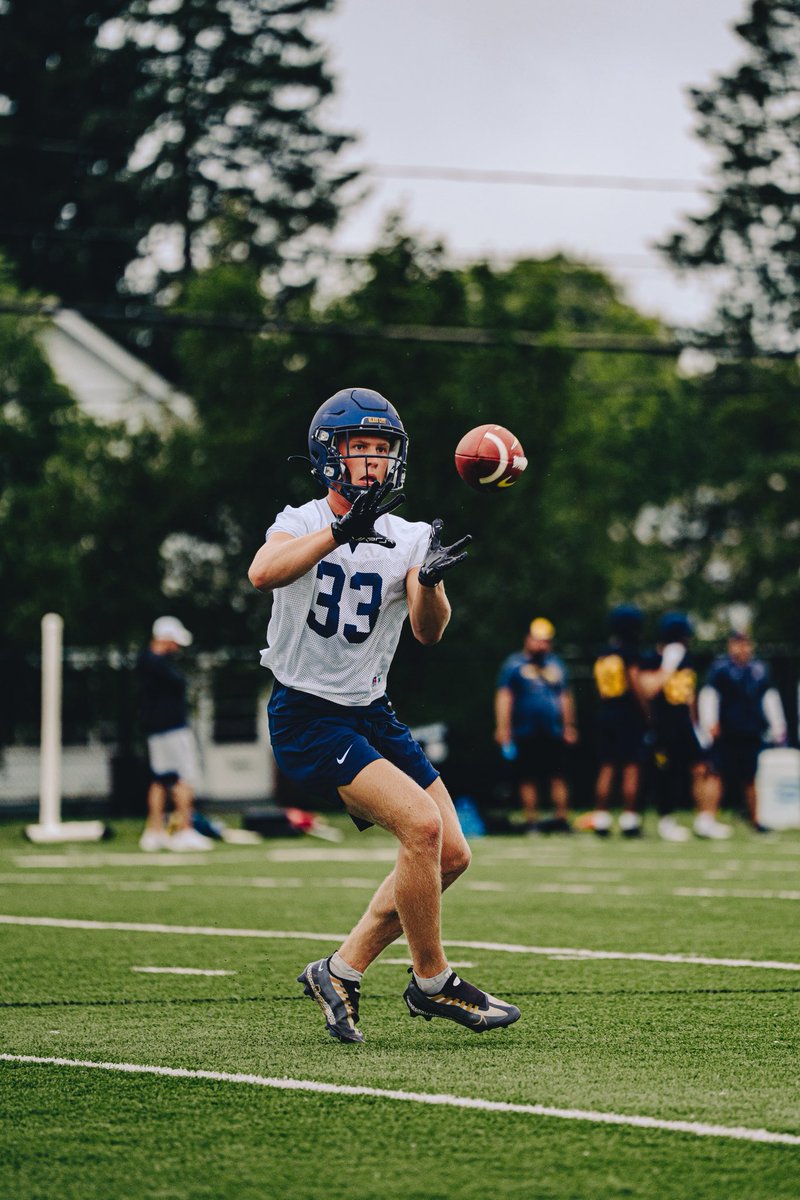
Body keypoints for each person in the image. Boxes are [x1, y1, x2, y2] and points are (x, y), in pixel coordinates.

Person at [247, 387, 520, 1043]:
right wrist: (337, 534)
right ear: (329, 455)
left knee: (452, 853)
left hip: (371, 710)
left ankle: (339, 970)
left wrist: (429, 583)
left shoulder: (410, 536)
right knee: (421, 827)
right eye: (360, 447)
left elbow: (429, 631)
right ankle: (433, 981)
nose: (373, 460)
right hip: (308, 714)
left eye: (382, 449)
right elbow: (263, 573)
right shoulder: (302, 519)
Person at [639, 611, 731, 841]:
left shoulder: (686, 659)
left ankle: (705, 821)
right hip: (662, 725)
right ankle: (666, 821)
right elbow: (648, 689)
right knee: (666, 774)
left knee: (703, 767)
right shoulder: (652, 658)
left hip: (684, 723)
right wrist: (667, 666)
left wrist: (697, 724)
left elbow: (689, 695)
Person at [494, 617, 577, 833]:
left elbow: (565, 696)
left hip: (553, 730)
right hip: (525, 730)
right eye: (538, 640)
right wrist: (503, 728)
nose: (542, 645)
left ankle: (561, 821)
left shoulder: (556, 665)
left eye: (546, 641)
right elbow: (504, 697)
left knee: (558, 775)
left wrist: (569, 725)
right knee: (528, 777)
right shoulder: (514, 665)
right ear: (528, 639)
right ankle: (532, 822)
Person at [137, 616, 213, 852]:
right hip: (173, 729)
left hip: (156, 729)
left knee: (160, 778)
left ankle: (155, 831)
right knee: (184, 778)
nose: (178, 647)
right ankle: (184, 830)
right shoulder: (159, 664)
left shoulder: (145, 661)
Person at [699, 629, 787, 830]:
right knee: (716, 773)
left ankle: (755, 819)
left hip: (750, 730)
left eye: (745, 643)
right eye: (738, 643)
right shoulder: (720, 668)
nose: (742, 648)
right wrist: (710, 723)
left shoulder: (760, 668)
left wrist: (777, 725)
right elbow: (709, 695)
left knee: (751, 777)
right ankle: (708, 818)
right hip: (726, 731)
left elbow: (769, 697)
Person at [587, 603, 648, 837]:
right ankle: (629, 820)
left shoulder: (603, 653)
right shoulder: (629, 652)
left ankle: (601, 818)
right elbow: (634, 683)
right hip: (626, 713)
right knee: (631, 766)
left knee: (607, 766)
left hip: (607, 711)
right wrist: (648, 713)